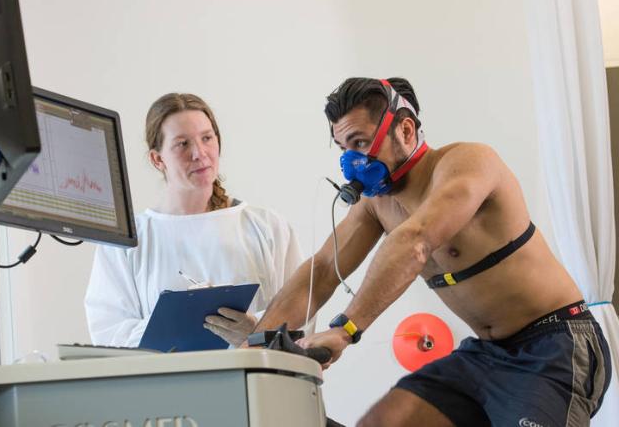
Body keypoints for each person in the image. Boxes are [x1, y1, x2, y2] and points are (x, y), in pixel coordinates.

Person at [253, 77, 611, 426]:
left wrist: (345, 330)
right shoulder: (376, 205)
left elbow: (416, 241)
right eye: (344, 148)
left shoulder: (468, 162)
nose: (351, 161)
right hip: (486, 354)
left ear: (405, 131)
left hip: (554, 343)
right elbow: (325, 269)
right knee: (383, 421)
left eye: (360, 143)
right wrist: (251, 349)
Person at [85, 92, 303, 349]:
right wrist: (181, 321)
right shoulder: (128, 240)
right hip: (169, 385)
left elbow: (302, 310)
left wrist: (256, 328)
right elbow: (108, 332)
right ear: (157, 159)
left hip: (257, 382)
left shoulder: (267, 227)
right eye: (182, 144)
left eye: (207, 138)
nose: (200, 153)